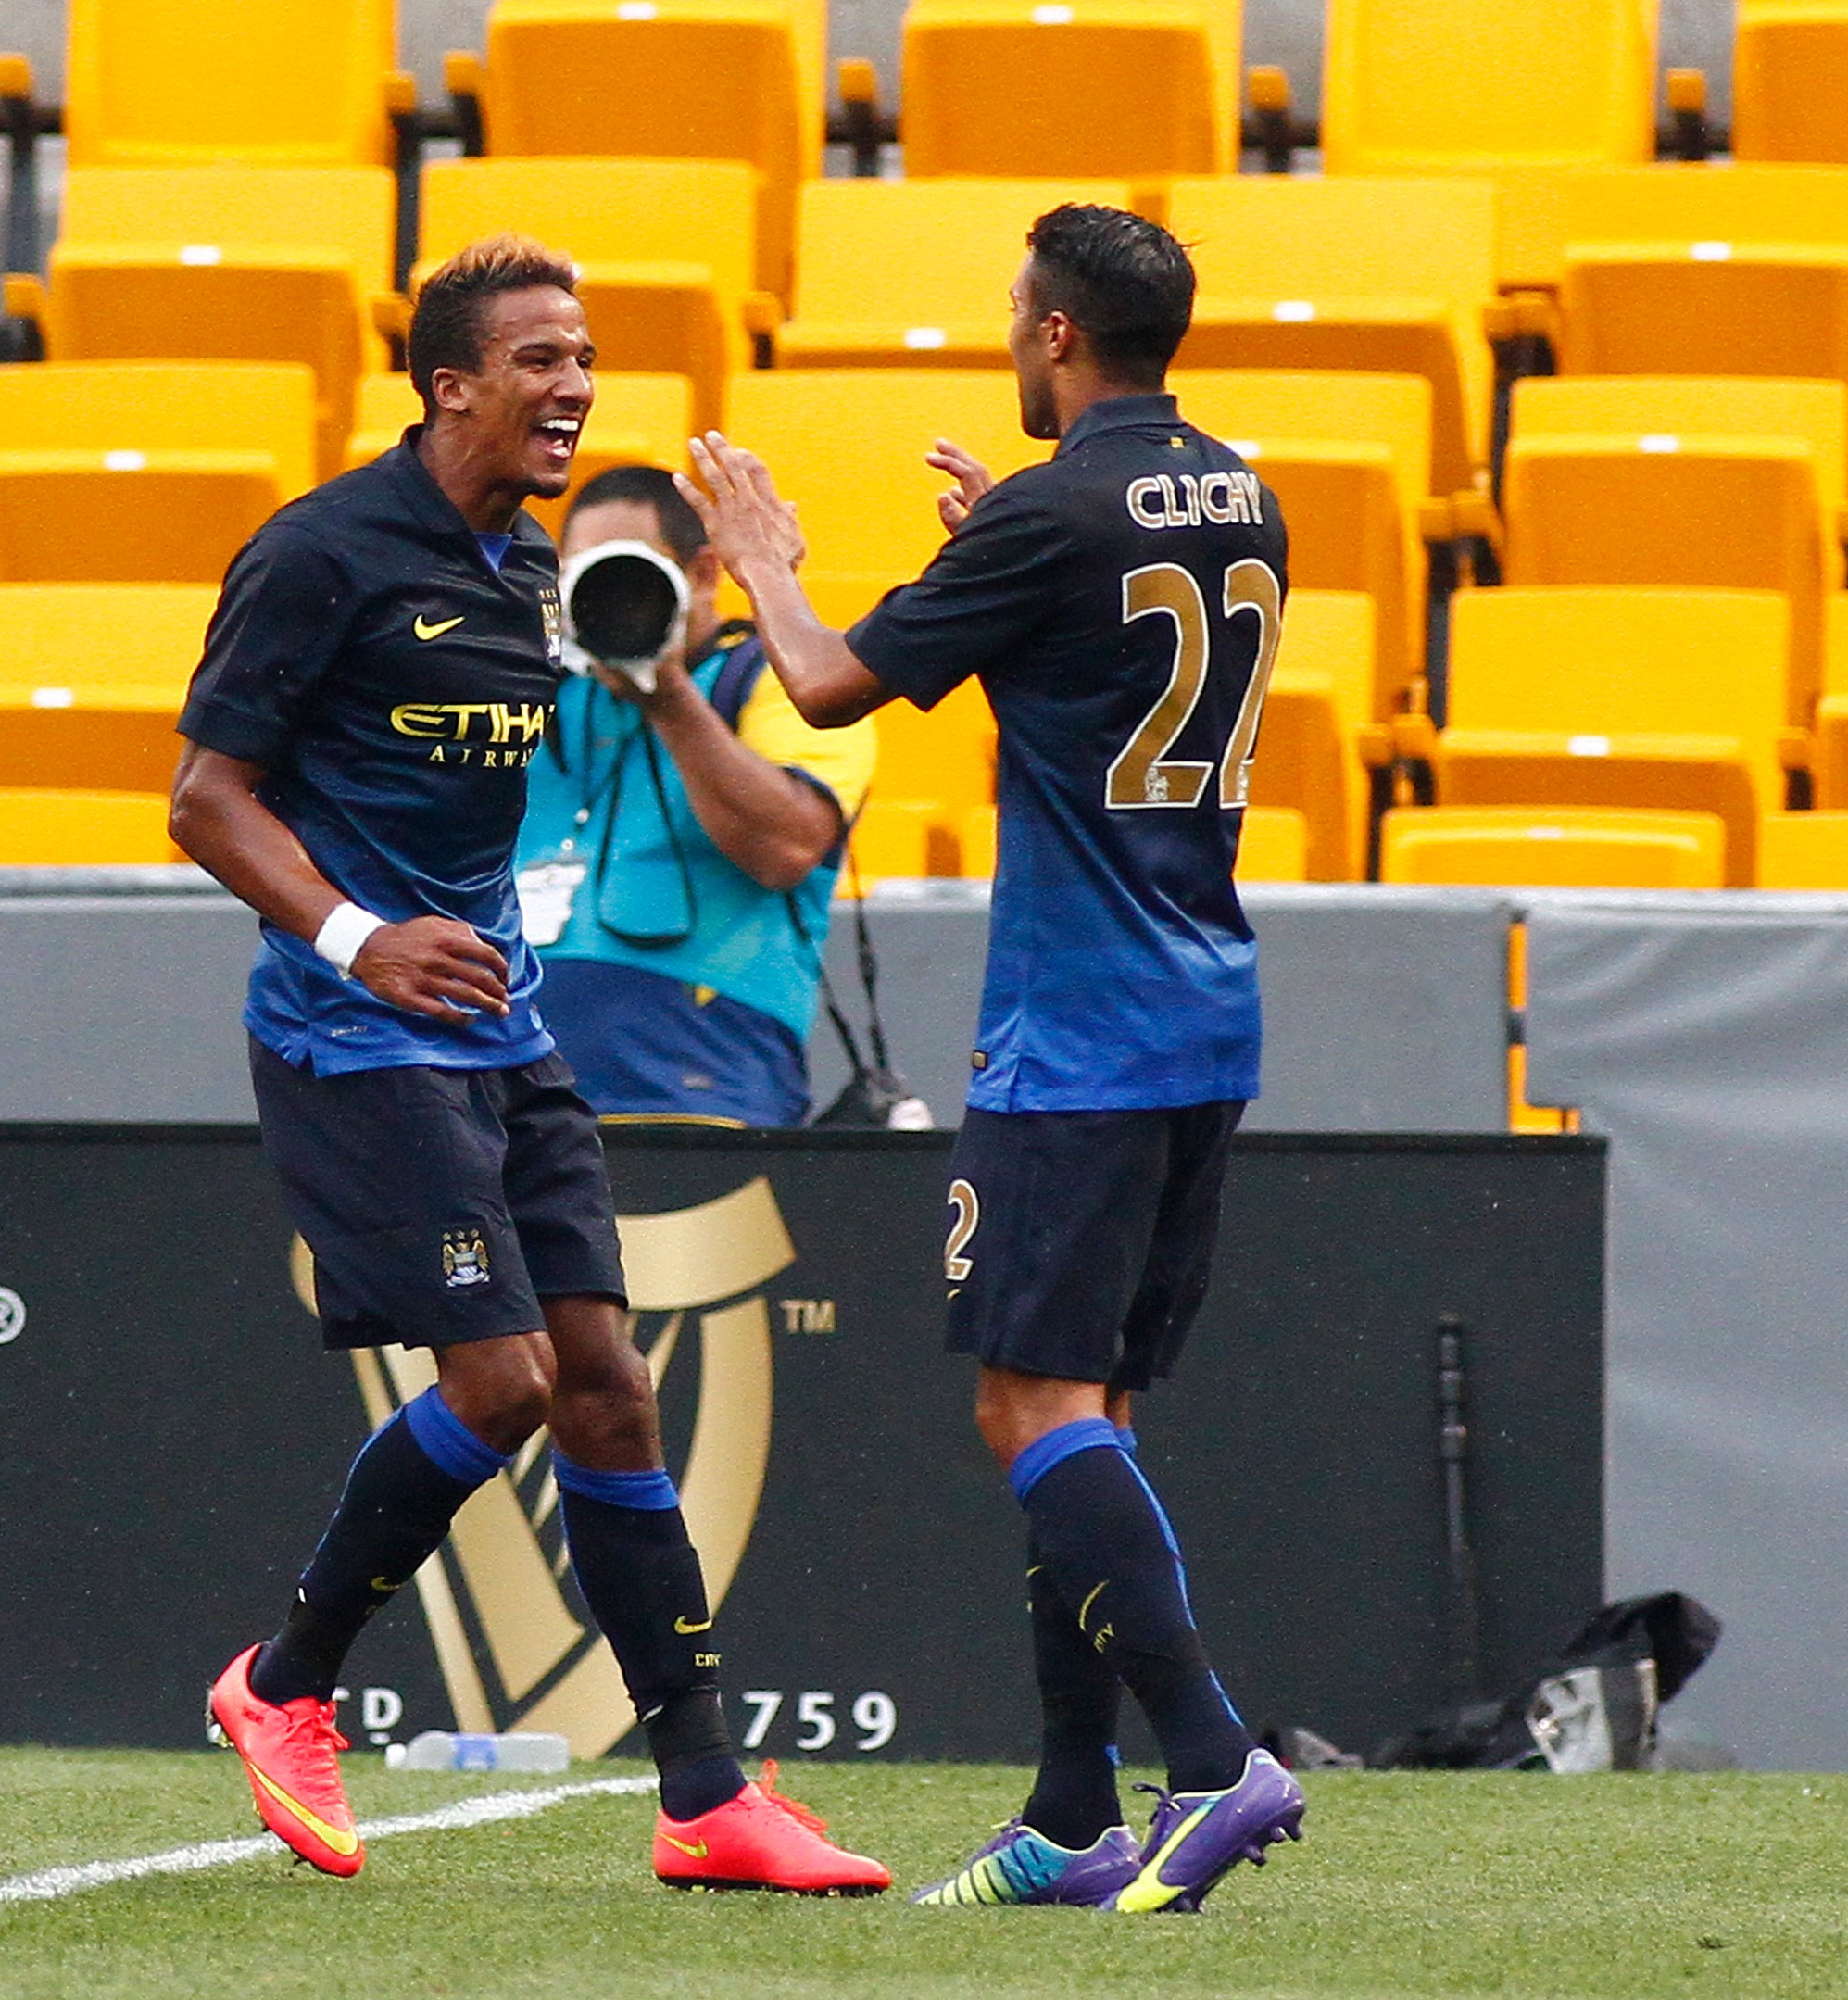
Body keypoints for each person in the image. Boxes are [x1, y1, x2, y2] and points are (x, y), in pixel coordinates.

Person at [170, 233, 886, 1896]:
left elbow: (772, 797)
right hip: (356, 1031)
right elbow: (208, 796)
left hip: (508, 1033)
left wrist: (747, 592)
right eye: (540, 358)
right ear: (448, 384)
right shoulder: (322, 553)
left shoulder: (528, 580)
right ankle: (281, 1683)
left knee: (610, 1383)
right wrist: (362, 936)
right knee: (499, 1385)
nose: (574, 386)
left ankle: (706, 1795)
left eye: (586, 356)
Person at [679, 204, 1307, 1914]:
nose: (1007, 333)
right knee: (1086, 1405)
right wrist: (1003, 563)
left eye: (1013, 310)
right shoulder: (1242, 487)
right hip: (1203, 1013)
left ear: (1053, 336)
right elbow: (1103, 659)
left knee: (1026, 1402)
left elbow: (814, 686)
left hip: (1080, 1031)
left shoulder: (1050, 512)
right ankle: (1072, 1806)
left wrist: (764, 556)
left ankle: (1212, 1752)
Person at [514, 464, 875, 1126]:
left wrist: (669, 696)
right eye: (585, 581)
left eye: (632, 576)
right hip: (505, 1075)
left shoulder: (783, 684)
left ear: (704, 574)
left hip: (699, 1086)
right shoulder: (528, 693)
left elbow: (788, 846)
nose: (610, 601)